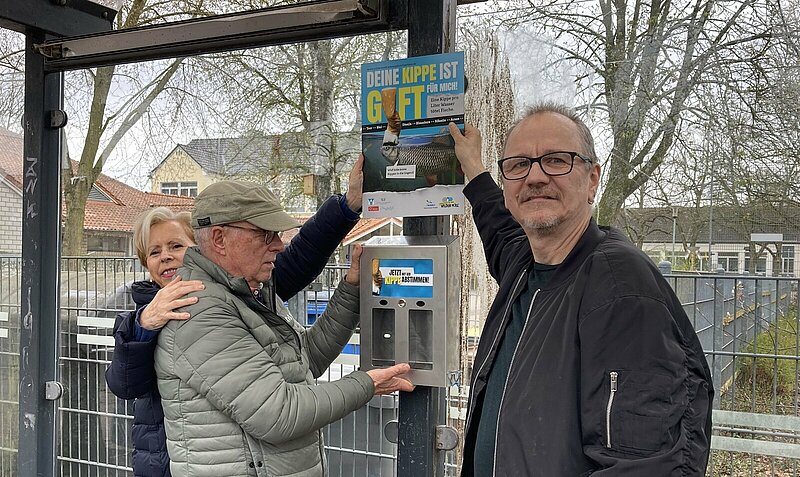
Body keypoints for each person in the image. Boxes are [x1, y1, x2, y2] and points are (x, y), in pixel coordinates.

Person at [447, 103, 713, 476]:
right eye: (519, 165)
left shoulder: (620, 286)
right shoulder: (524, 266)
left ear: (592, 180)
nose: (535, 177)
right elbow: (499, 227)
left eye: (556, 160)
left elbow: (645, 463)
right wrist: (473, 168)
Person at [105, 157, 371, 476]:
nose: (166, 256)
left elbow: (299, 255)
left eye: (176, 245)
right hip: (171, 458)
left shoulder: (240, 289)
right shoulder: (170, 311)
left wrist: (346, 207)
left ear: (200, 248)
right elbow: (123, 382)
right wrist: (143, 325)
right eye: (153, 252)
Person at [154, 180, 414, 477]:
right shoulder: (199, 311)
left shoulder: (248, 292)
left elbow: (304, 362)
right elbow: (278, 413)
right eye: (265, 234)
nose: (279, 244)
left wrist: (352, 290)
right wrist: (366, 385)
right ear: (219, 239)